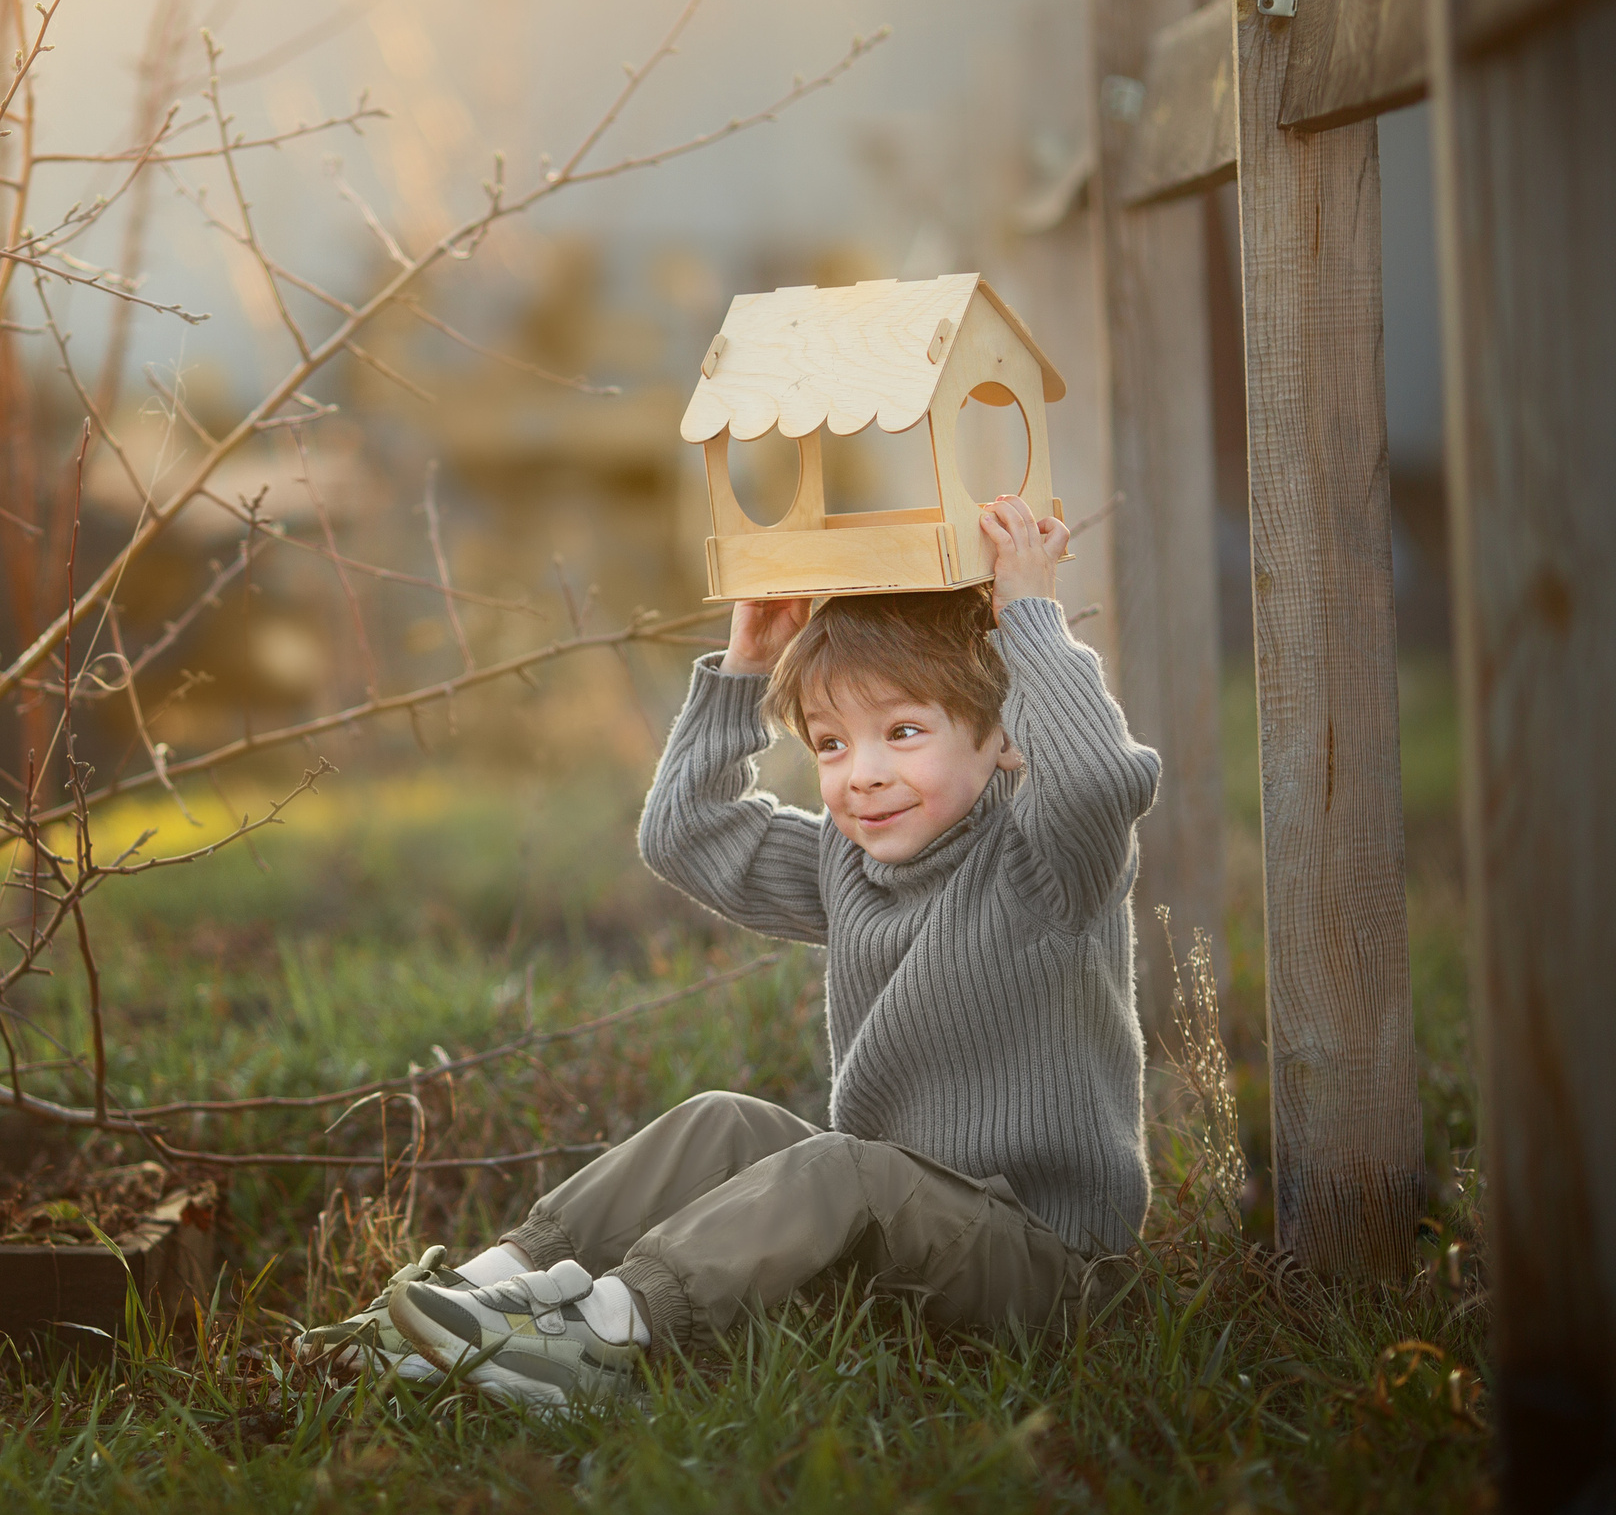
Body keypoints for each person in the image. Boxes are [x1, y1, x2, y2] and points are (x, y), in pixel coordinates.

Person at [297, 493, 1160, 1407]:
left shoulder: (1049, 864)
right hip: (896, 1237)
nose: (863, 773)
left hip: (1048, 1269)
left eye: (904, 731)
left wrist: (1028, 614)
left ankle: (603, 1337)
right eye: (831, 743)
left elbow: (1095, 779)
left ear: (1005, 739)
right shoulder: (852, 863)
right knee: (722, 1119)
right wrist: (746, 666)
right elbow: (685, 832)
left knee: (842, 1162)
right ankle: (466, 1301)